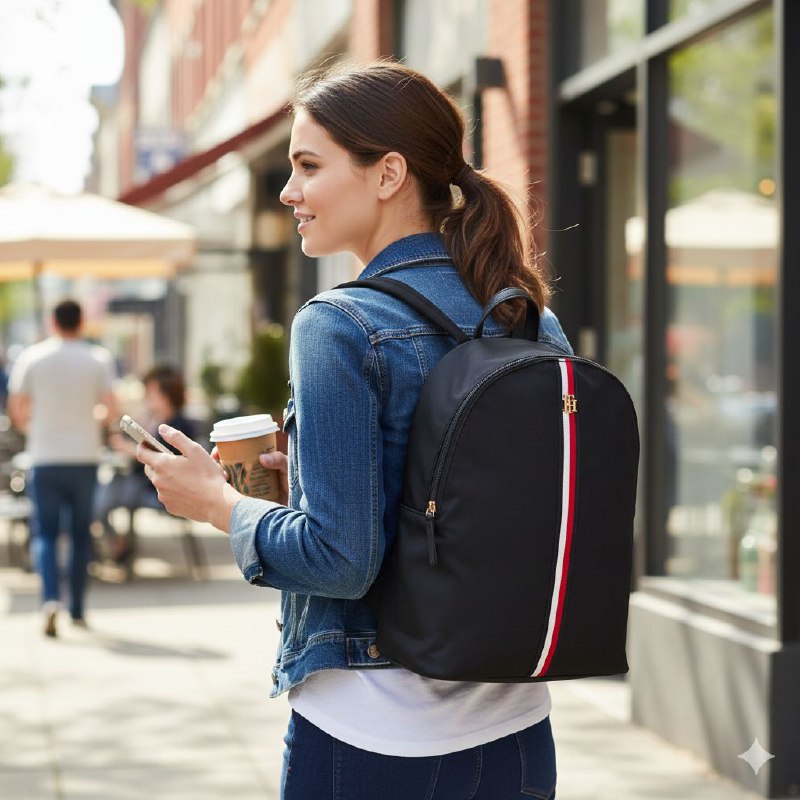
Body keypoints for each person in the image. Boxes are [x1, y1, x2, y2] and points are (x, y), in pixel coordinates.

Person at [137, 61, 572, 799]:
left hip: (370, 739)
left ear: (387, 174)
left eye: (308, 165)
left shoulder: (339, 325)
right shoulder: (526, 316)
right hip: (517, 735)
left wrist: (219, 504)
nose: (289, 191)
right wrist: (303, 485)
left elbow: (341, 560)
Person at [7, 299, 117, 637]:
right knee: (82, 534)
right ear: (81, 322)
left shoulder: (32, 357)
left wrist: (33, 427)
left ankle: (50, 598)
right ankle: (78, 609)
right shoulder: (98, 359)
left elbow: (16, 408)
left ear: (52, 322)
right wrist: (90, 420)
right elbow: (110, 409)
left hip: (44, 457)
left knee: (45, 534)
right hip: (84, 458)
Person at [94, 364, 196, 564]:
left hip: (156, 489)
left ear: (164, 395)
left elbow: (167, 460)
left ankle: (114, 547)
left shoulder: (177, 426)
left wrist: (130, 450)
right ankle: (115, 546)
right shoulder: (158, 420)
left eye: (151, 392)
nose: (147, 397)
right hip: (144, 483)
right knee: (107, 489)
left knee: (102, 497)